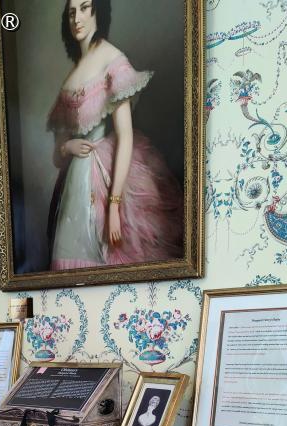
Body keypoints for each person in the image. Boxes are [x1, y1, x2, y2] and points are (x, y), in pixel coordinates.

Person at [47, 0, 183, 271]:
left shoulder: (113, 60)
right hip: (74, 185)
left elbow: (126, 137)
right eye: (71, 13)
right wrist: (67, 147)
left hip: (106, 179)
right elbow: (57, 155)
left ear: (98, 11)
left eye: (85, 8)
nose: (77, 18)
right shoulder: (72, 74)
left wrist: (114, 207)